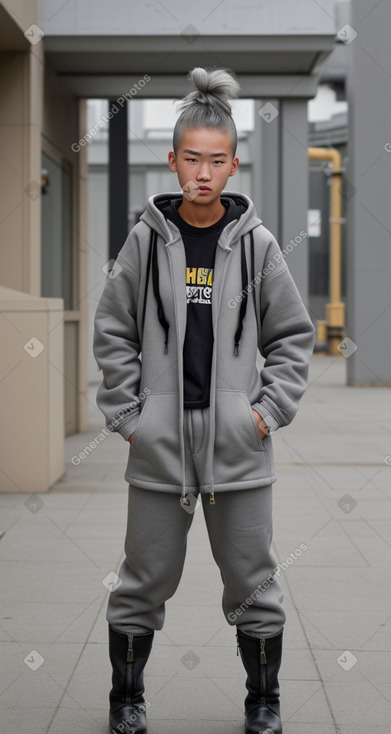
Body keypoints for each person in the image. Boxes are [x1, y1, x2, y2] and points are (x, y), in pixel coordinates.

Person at [93, 66, 316, 734]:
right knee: (141, 581)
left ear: (232, 165)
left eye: (216, 161)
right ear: (172, 160)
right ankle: (125, 700)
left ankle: (263, 702)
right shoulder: (143, 242)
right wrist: (132, 417)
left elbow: (292, 338)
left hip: (237, 447)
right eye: (191, 158)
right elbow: (111, 332)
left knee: (254, 583)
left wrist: (263, 413)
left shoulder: (257, 247)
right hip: (160, 447)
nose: (202, 172)